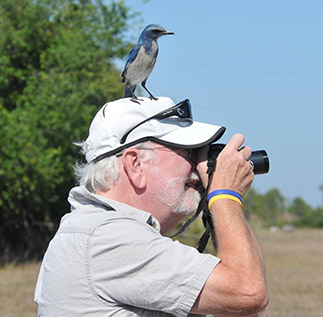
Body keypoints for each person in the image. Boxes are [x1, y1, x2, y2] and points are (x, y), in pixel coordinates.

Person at [34, 97, 268, 316]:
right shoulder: (107, 238)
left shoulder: (108, 232)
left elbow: (243, 307)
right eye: (188, 152)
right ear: (135, 164)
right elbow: (249, 291)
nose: (198, 165)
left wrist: (216, 202)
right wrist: (225, 194)